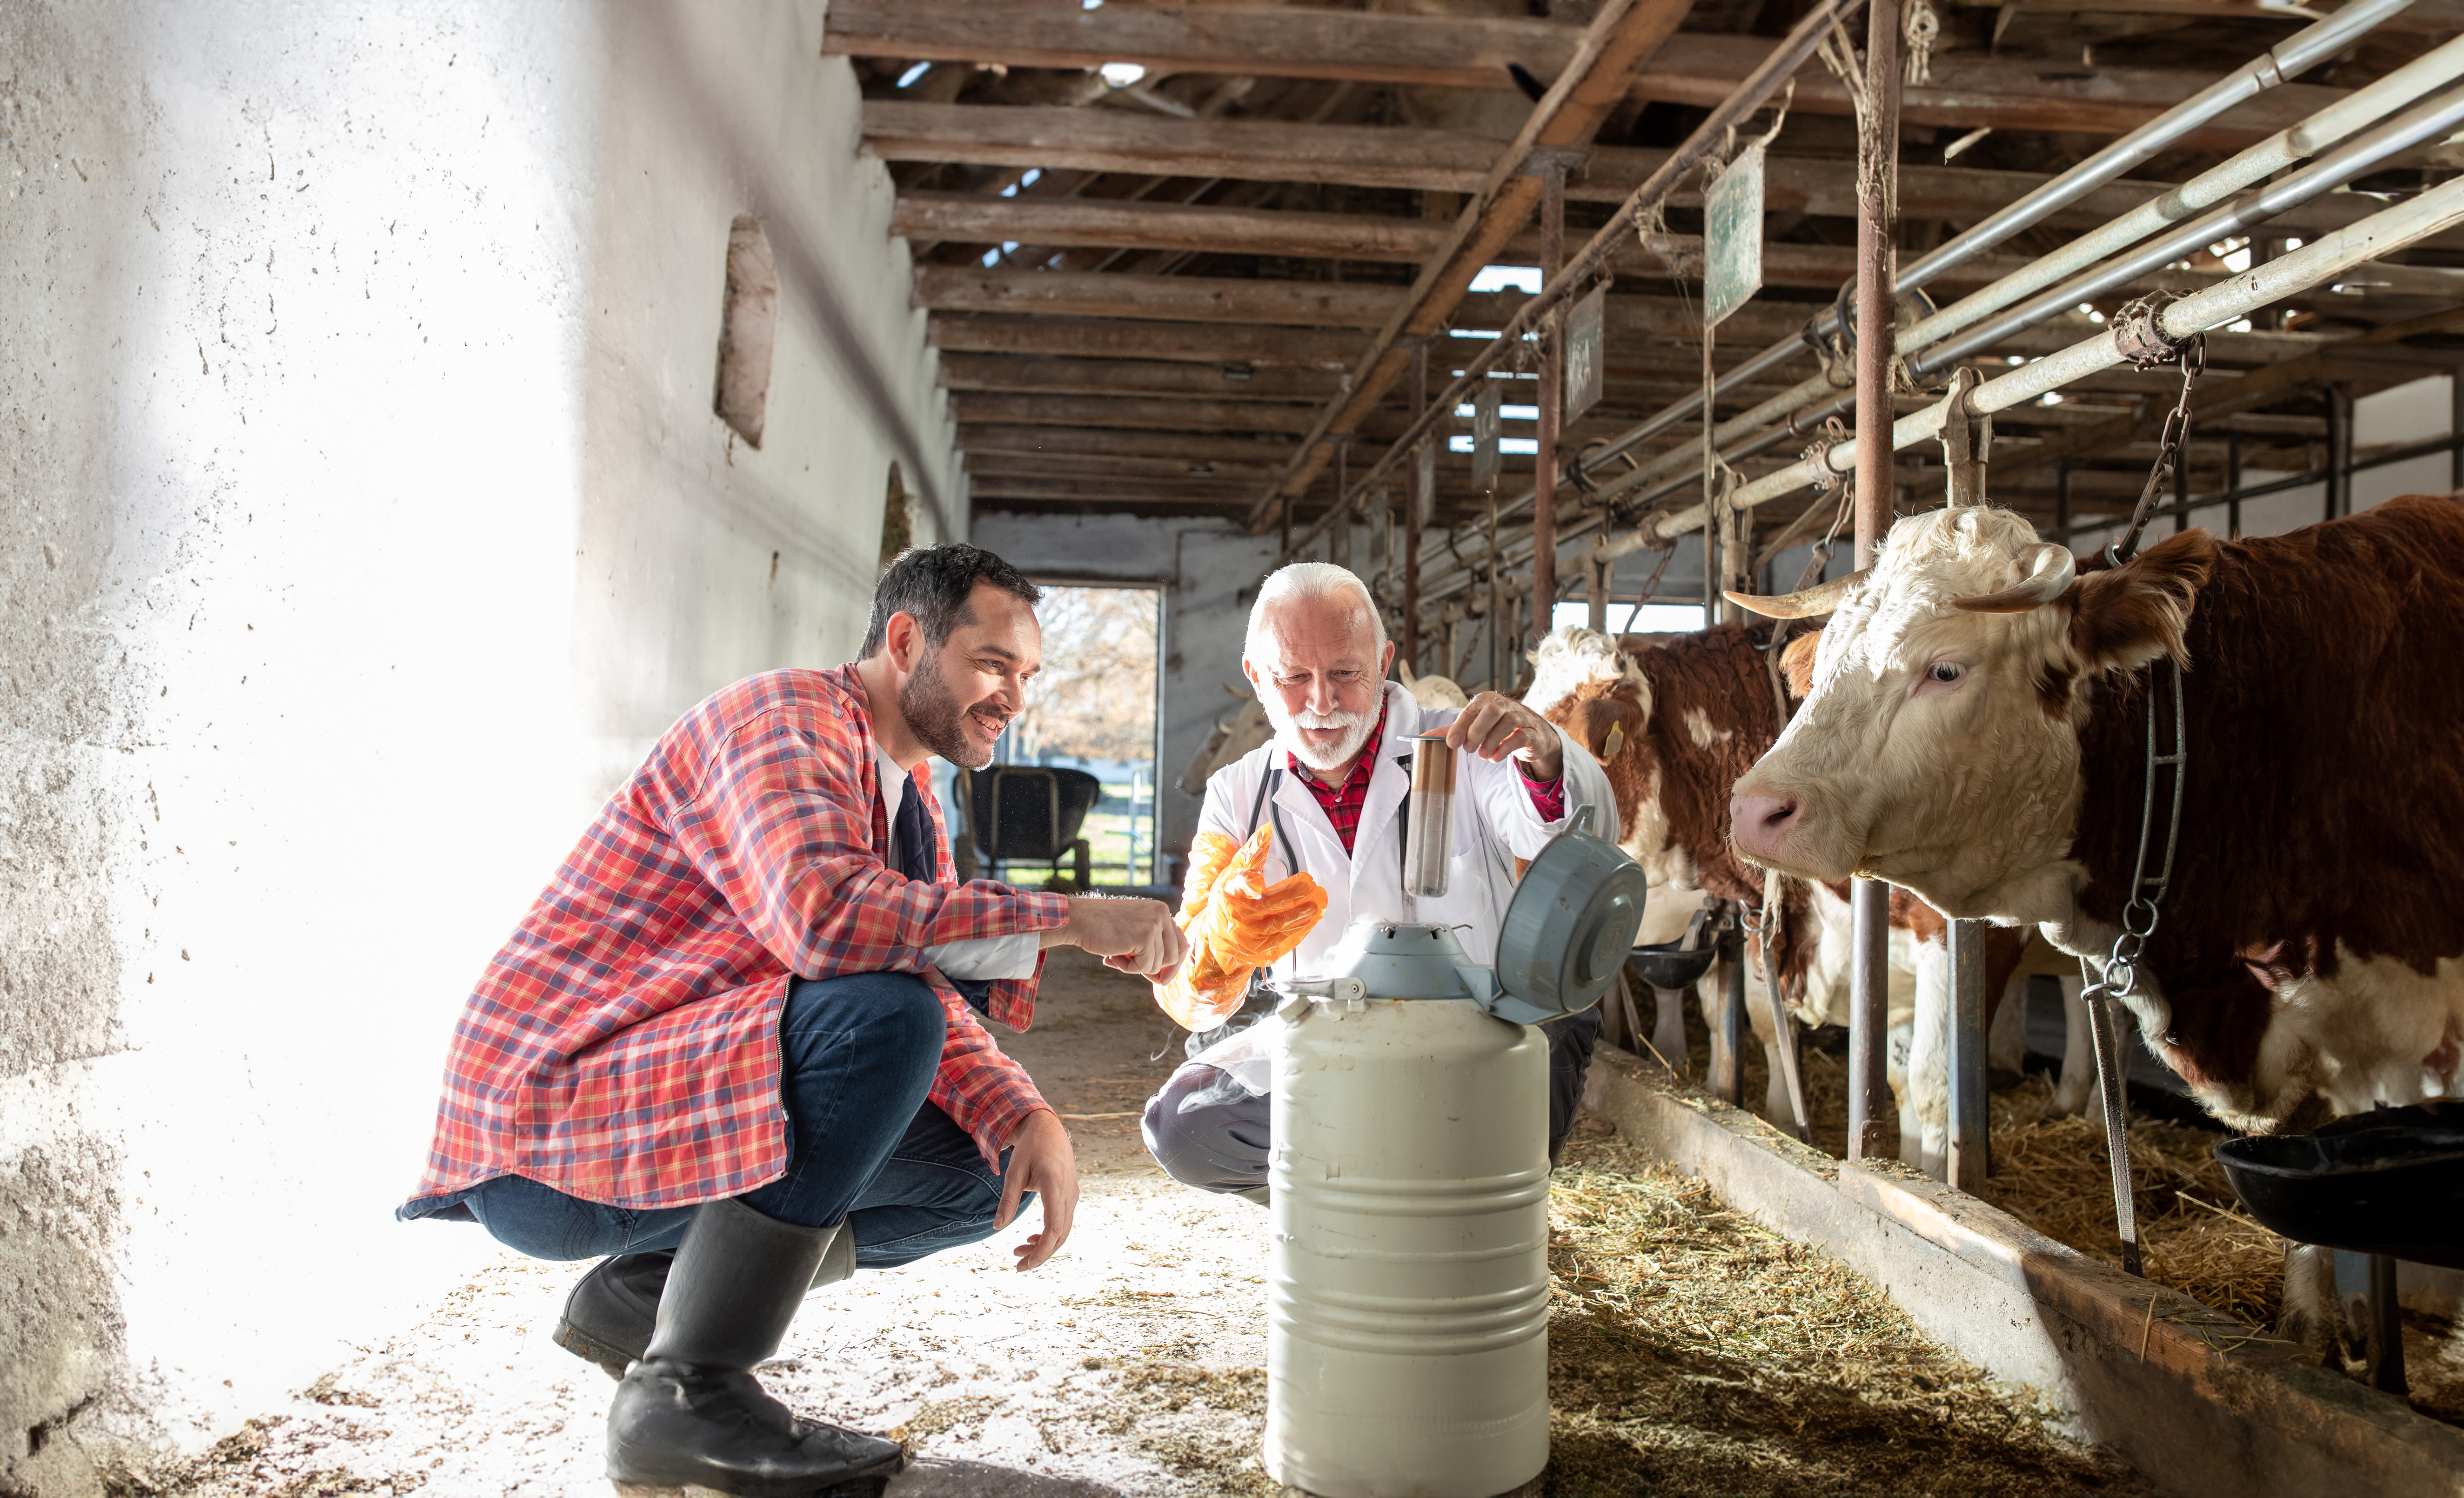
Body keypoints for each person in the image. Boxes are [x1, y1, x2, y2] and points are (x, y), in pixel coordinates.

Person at [397, 545, 1185, 1498]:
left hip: (662, 1100)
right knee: (880, 1021)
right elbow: (828, 920)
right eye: (991, 664)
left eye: (1027, 675)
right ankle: (686, 1395)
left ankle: (645, 1302)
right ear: (907, 641)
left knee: (988, 1175)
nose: (1012, 697)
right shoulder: (782, 722)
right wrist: (1067, 916)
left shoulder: (909, 797)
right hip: (558, 1114)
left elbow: (913, 965)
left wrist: (1025, 1113)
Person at [1141, 563, 1617, 1203]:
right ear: (1256, 676)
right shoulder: (1238, 793)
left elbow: (1576, 837)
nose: (1322, 702)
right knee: (1181, 1128)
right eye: (1293, 678)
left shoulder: (1469, 744)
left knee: (1498, 1122)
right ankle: (1372, 1192)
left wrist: (1546, 756)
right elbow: (1191, 988)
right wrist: (1221, 946)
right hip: (1330, 1040)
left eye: (1345, 673)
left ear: (1384, 661)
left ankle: (1375, 1181)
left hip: (1474, 1031)